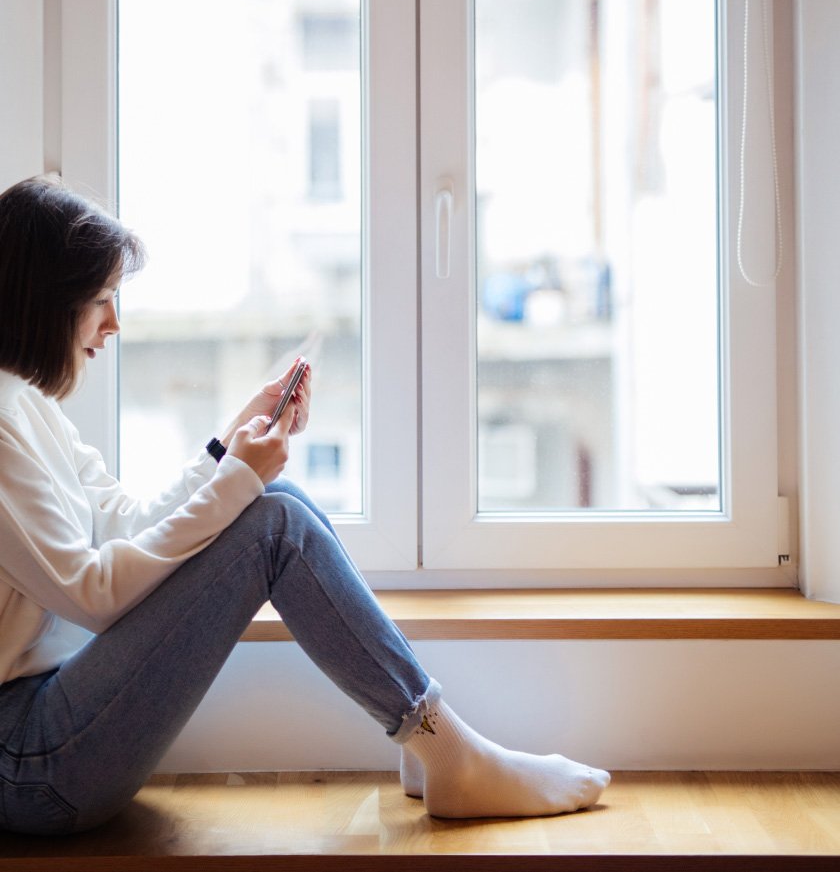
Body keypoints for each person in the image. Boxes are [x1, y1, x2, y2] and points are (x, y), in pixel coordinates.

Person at [0, 174, 609, 835]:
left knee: (276, 499)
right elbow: (94, 594)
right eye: (101, 299)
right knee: (273, 521)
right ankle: (447, 752)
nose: (115, 322)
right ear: (45, 302)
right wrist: (236, 480)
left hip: (54, 726)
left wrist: (227, 448)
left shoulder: (26, 403)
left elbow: (124, 523)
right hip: (29, 763)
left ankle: (432, 746)